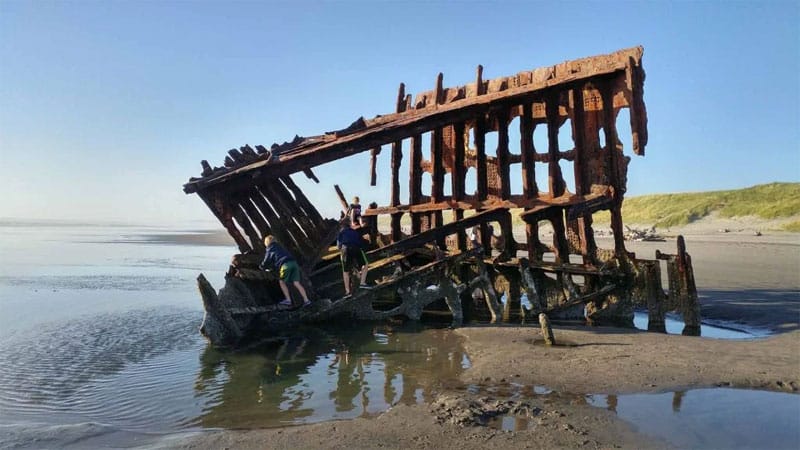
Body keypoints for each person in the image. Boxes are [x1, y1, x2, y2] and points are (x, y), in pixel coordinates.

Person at [259, 235, 311, 307]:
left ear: (266, 243)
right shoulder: (280, 246)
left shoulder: (270, 249)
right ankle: (306, 300)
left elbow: (266, 261)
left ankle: (288, 300)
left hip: (285, 265)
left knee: (282, 282)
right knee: (296, 283)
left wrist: (261, 267)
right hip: (293, 263)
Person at [337, 218, 370, 296]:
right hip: (356, 248)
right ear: (349, 225)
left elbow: (339, 246)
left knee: (345, 271)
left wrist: (342, 253)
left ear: (342, 226)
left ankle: (347, 292)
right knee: (365, 264)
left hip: (345, 249)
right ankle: (362, 283)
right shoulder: (354, 232)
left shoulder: (340, 233)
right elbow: (361, 243)